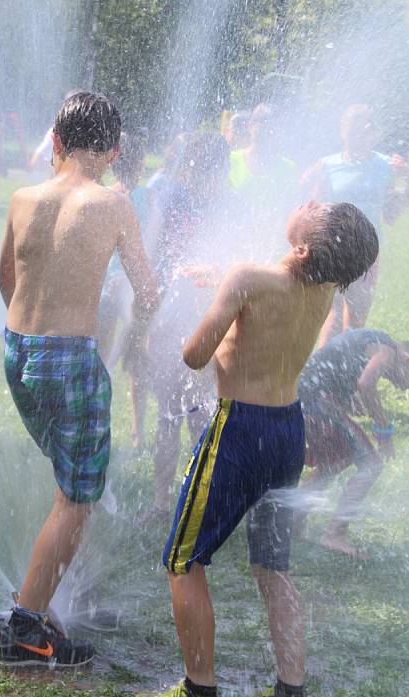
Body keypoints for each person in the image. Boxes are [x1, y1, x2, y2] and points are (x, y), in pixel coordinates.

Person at [131, 200, 379, 697]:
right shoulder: (323, 285)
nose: (309, 202)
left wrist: (209, 313)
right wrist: (227, 285)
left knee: (183, 559)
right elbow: (275, 290)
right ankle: (293, 696)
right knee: (273, 567)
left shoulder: (251, 279)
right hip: (289, 430)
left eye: (318, 209)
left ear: (303, 247)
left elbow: (196, 355)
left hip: (239, 430)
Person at [0, 92, 158, 668]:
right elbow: (148, 293)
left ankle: (43, 594)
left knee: (68, 482)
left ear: (54, 141)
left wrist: (33, 334)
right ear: (112, 152)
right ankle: (27, 628)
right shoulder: (114, 204)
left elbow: (4, 278)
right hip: (71, 359)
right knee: (77, 498)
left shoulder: (21, 196)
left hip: (18, 353)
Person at [145, 132, 231, 522]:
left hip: (204, 319)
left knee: (197, 414)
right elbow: (155, 254)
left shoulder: (231, 204)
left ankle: (190, 502)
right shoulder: (175, 197)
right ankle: (166, 501)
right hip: (176, 316)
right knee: (171, 414)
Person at [296, 329, 409, 559]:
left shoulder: (381, 343)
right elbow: (366, 383)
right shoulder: (388, 351)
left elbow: (341, 358)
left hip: (308, 396)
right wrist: (384, 430)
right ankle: (334, 533)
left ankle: (293, 519)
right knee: (372, 464)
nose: (404, 388)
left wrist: (347, 396)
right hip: (318, 400)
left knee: (333, 463)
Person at [302, 105, 409, 346]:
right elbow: (312, 206)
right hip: (333, 250)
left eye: (364, 128)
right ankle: (321, 378)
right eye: (352, 128)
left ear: (373, 132)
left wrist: (408, 182)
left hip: (367, 252)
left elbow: (391, 215)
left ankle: (345, 377)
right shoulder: (328, 165)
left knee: (355, 324)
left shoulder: (386, 166)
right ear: (342, 131)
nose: (357, 134)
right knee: (331, 318)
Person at [98, 134, 160, 450]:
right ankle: (137, 431)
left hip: (109, 287)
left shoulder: (104, 196)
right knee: (137, 357)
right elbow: (151, 243)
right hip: (137, 287)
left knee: (102, 360)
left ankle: (99, 423)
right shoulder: (149, 198)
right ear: (139, 163)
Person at [229, 104, 299, 261]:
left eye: (270, 123)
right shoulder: (230, 160)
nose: (264, 127)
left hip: (272, 251)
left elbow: (291, 212)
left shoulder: (289, 169)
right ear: (249, 126)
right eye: (260, 121)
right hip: (233, 244)